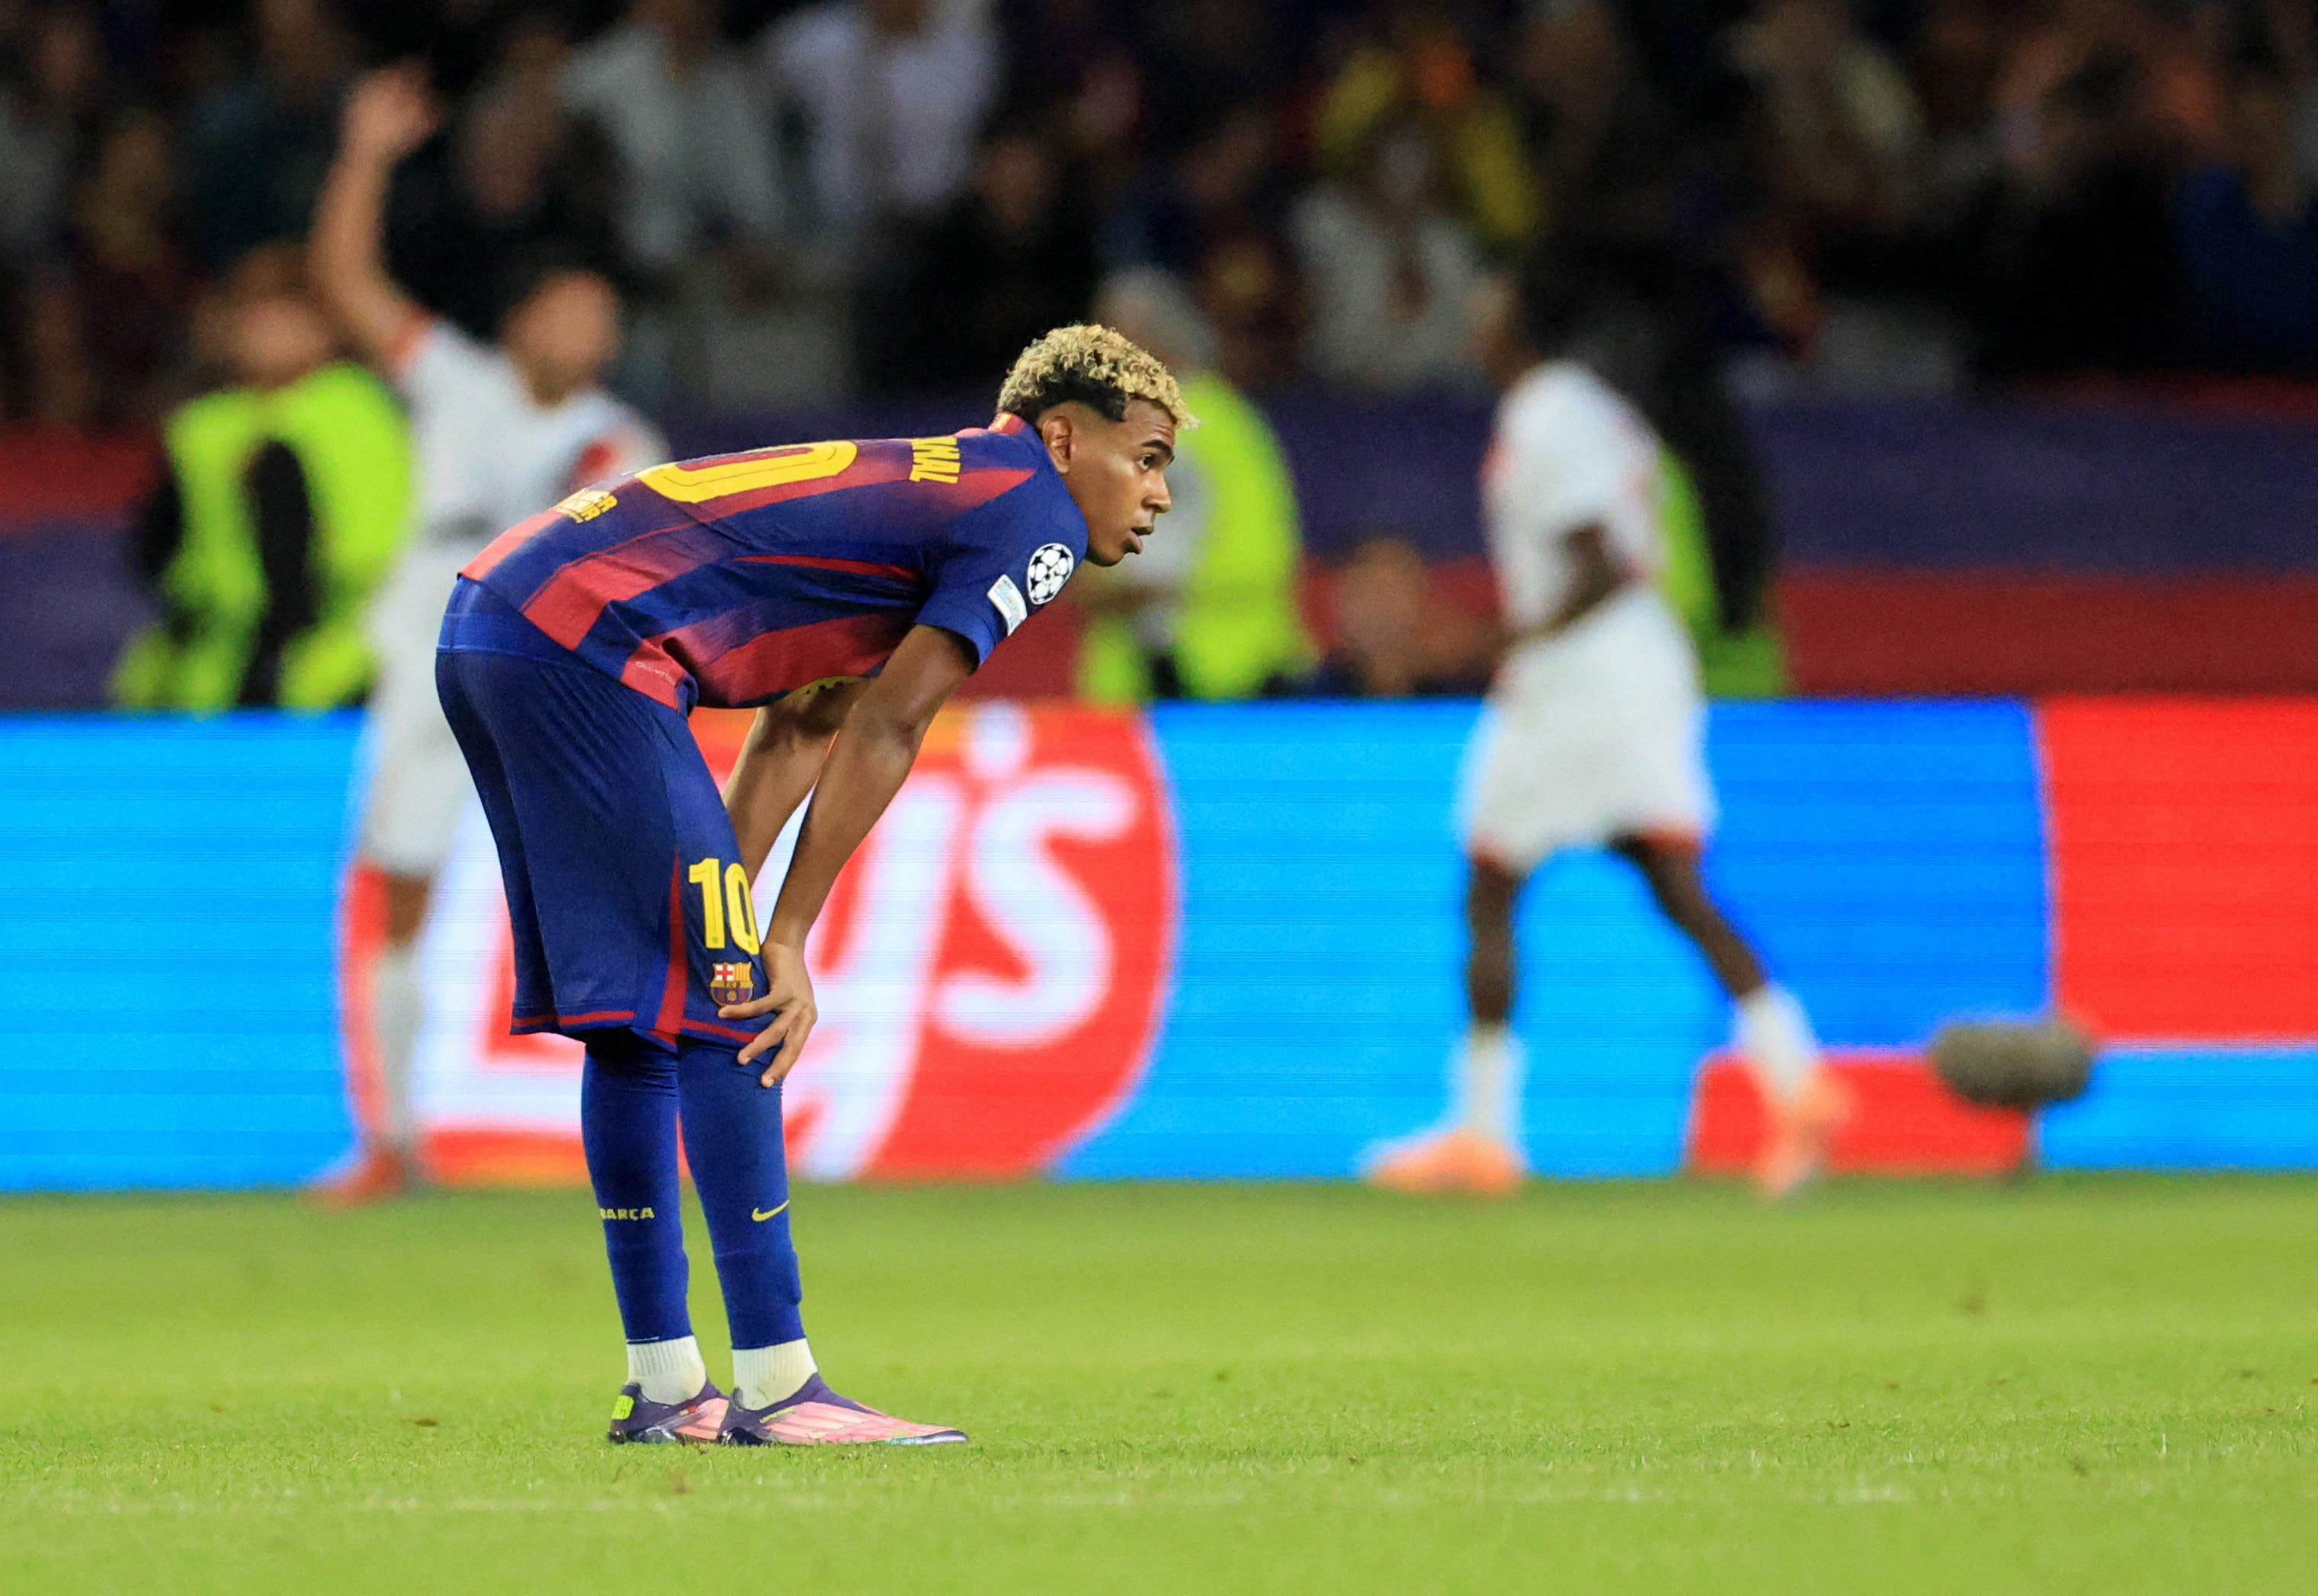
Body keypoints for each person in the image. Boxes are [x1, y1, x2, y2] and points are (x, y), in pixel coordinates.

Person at [434, 324, 1183, 1444]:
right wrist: (774, 936)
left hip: (500, 619)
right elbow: (892, 723)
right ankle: (779, 1384)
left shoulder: (943, 489)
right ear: (1065, 437)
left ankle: (667, 1385)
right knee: (734, 1002)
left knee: (650, 1018)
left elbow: (804, 721)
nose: (1160, 493)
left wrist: (724, 910)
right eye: (1148, 456)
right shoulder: (1030, 513)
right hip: (590, 642)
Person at [1364, 264, 1849, 1201]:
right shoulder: (1596, 410)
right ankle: (1799, 1083)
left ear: (1517, 325)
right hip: (1629, 670)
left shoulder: (1546, 412)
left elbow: (1598, 561)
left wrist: (1498, 637)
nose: (1472, 321)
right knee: (1672, 887)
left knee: (1491, 879)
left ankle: (1484, 1133)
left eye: (1485, 306)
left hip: (1582, 677)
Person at [310, 66, 665, 1203]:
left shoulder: (626, 442)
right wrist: (365, 153)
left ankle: (653, 1121)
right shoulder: (456, 381)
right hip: (433, 628)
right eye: (571, 310)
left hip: (551, 660)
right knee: (401, 877)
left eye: (603, 316)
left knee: (615, 889)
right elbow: (344, 282)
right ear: (521, 321)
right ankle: (393, 1140)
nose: (590, 330)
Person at [111, 251, 410, 711]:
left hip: (329, 661)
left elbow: (299, 569)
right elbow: (155, 551)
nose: (260, 333)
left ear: (326, 327)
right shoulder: (205, 428)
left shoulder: (341, 417)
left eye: (281, 318)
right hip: (222, 658)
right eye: (249, 318)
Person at [1076, 268, 1311, 701]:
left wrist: (1158, 590)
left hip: (1234, 678)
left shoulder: (1223, 424)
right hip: (1132, 683)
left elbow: (1264, 555)